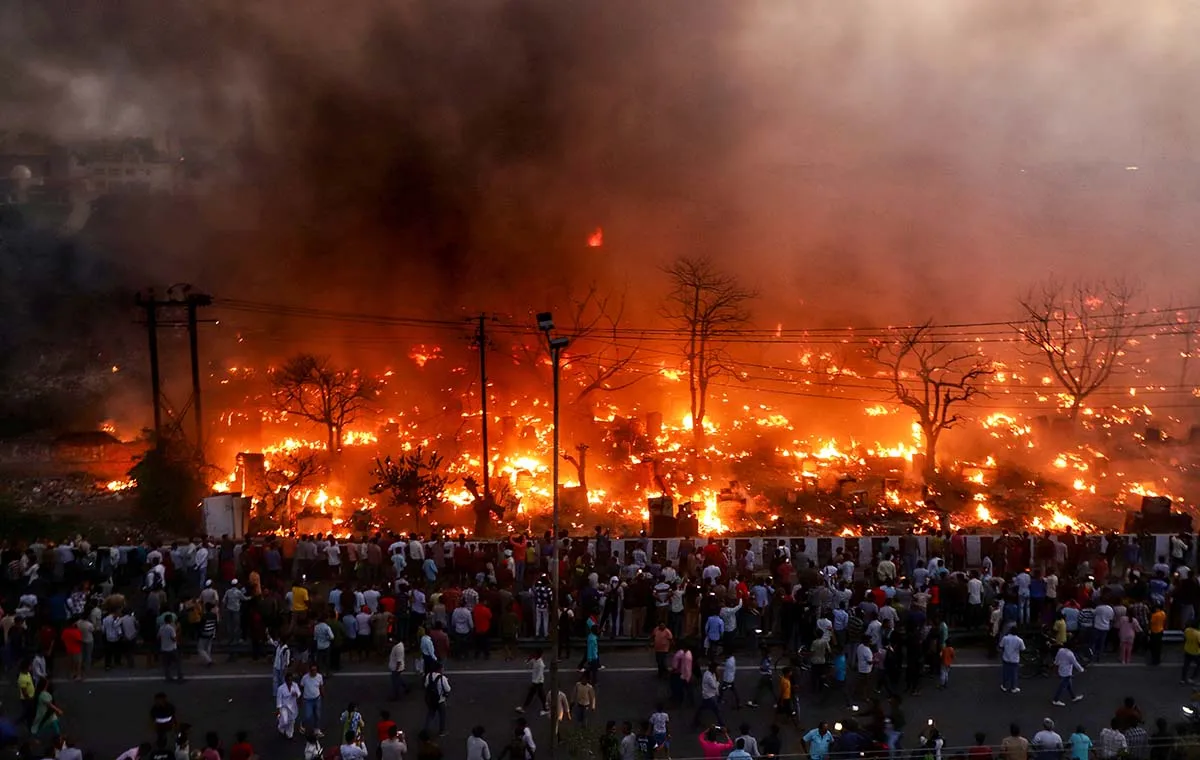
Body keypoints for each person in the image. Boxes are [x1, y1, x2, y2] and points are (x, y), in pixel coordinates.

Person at [423, 662, 451, 737]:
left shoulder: (429, 676)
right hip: (440, 700)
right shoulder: (443, 678)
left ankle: (426, 730)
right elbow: (448, 689)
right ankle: (441, 731)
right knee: (442, 716)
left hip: (431, 699)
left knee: (430, 715)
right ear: (439, 669)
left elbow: (426, 685)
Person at [693, 661, 723, 729]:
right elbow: (714, 686)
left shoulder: (710, 673)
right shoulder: (709, 677)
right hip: (710, 697)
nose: (718, 669)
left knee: (702, 708)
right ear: (713, 668)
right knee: (717, 711)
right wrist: (718, 679)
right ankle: (723, 725)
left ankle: (695, 721)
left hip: (708, 696)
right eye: (716, 668)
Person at [518, 649, 549, 715]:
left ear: (538, 655)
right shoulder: (534, 660)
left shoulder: (541, 664)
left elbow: (539, 675)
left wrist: (534, 684)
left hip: (538, 682)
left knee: (532, 695)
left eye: (535, 653)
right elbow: (527, 666)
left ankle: (524, 708)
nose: (533, 654)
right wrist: (528, 659)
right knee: (540, 696)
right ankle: (545, 708)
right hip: (535, 681)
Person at [301, 663, 326, 737]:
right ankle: (303, 724)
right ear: (309, 670)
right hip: (308, 700)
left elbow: (321, 686)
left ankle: (317, 730)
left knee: (317, 715)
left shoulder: (319, 677)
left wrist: (323, 694)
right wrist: (300, 698)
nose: (313, 671)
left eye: (315, 670)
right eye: (312, 670)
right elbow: (301, 687)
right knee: (308, 716)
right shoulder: (305, 678)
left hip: (317, 699)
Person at [159, 613, 184, 682]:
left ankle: (168, 677)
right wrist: (177, 636)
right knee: (177, 662)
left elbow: (158, 636)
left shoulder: (161, 628)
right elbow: (173, 638)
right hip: (172, 648)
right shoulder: (171, 628)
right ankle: (180, 676)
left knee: (166, 664)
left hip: (164, 648)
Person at [277, 671, 301, 739]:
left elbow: (299, 693)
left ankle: (289, 732)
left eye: (291, 680)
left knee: (292, 720)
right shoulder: (281, 688)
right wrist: (278, 709)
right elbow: (279, 699)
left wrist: (296, 694)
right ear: (286, 680)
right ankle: (280, 726)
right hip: (284, 707)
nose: (290, 682)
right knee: (285, 721)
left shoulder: (295, 685)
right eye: (288, 680)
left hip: (293, 706)